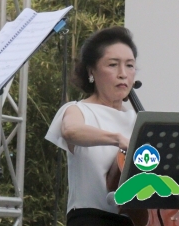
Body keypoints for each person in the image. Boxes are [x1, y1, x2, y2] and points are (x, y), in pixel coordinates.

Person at [45, 27, 139, 226]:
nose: (123, 74)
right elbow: (71, 131)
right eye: (113, 65)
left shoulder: (138, 119)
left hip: (134, 220)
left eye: (130, 66)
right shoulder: (78, 110)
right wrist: (118, 139)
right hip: (91, 219)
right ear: (91, 71)